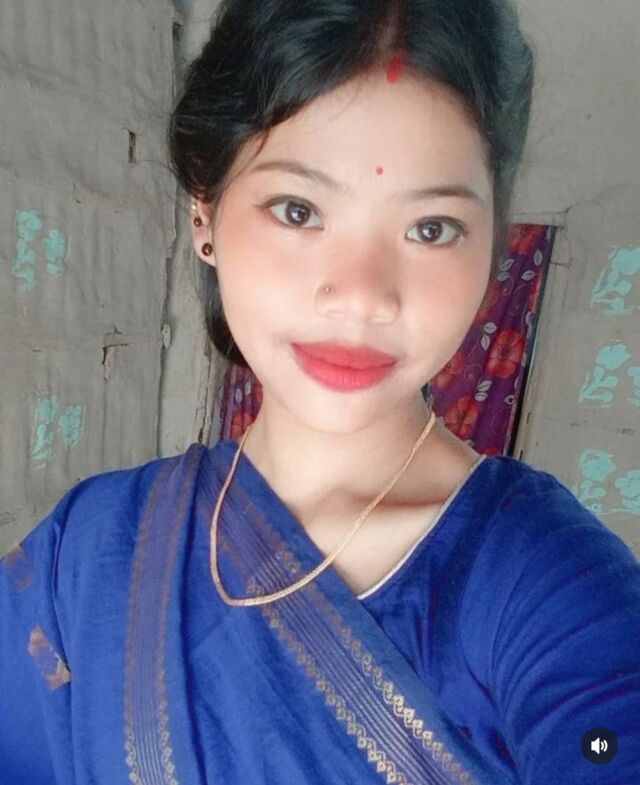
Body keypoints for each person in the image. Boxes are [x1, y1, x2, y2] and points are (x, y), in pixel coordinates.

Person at [1, 1, 639, 783]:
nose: (363, 295)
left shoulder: (542, 584)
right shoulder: (89, 553)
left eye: (431, 227)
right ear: (204, 211)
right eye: (298, 210)